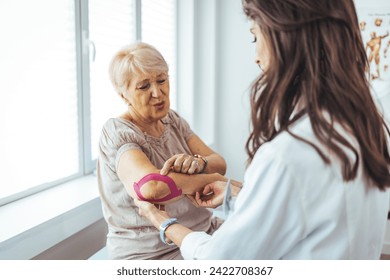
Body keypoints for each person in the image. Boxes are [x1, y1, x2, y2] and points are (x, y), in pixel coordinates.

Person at [134, 0, 390, 259]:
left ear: (284, 38)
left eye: (255, 37)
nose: (256, 57)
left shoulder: (289, 155)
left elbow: (220, 263)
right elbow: (309, 217)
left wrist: (163, 222)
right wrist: (238, 201)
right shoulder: (364, 127)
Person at [97, 42, 227, 260]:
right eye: (144, 86)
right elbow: (152, 187)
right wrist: (210, 178)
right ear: (123, 95)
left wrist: (199, 163)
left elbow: (219, 163)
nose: (157, 93)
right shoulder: (117, 131)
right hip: (153, 252)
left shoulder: (172, 120)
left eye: (161, 80)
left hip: (202, 231)